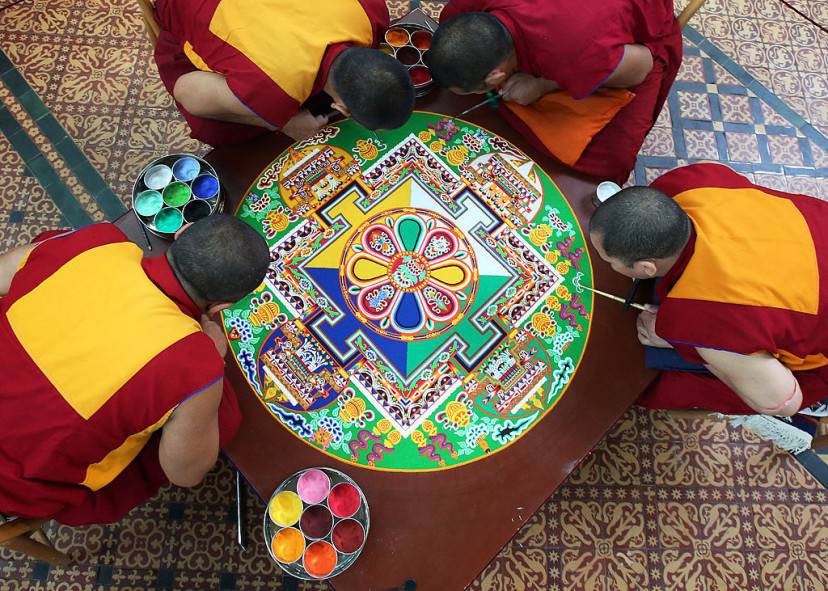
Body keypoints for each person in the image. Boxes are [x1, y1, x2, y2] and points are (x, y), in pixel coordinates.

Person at [0, 215, 270, 525]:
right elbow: (184, 473)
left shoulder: (96, 244)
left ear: (180, 232)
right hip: (16, 485)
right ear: (220, 308)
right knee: (220, 412)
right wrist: (214, 357)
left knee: (47, 252)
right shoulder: (192, 361)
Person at [589, 163, 828, 416]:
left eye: (608, 260)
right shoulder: (689, 181)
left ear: (646, 268)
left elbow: (783, 402)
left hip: (817, 348)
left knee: (653, 387)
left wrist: (689, 346)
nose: (607, 262)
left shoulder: (703, 317)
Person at [426, 0, 682, 184]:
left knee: (608, 160)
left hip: (635, 46)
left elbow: (642, 66)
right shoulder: (464, 11)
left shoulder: (572, 52)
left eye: (480, 88)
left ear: (496, 75)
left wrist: (544, 85)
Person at [153, 0, 415, 145]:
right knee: (217, 129)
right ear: (342, 109)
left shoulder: (371, 10)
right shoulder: (272, 90)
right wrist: (279, 122)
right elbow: (186, 92)